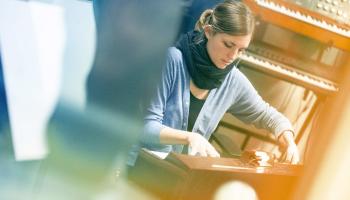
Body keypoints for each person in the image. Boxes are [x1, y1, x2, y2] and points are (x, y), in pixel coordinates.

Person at [133, 0, 299, 164]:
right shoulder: (172, 61)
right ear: (208, 32)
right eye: (228, 45)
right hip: (142, 166)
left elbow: (268, 115)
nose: (232, 56)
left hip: (181, 175)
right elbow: (145, 127)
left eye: (241, 50)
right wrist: (189, 137)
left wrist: (288, 139)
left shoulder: (232, 80)